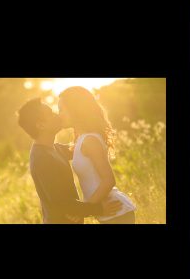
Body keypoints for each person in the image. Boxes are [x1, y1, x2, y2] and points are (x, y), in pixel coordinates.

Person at [16, 98, 122, 224]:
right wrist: (98, 209)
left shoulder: (54, 148)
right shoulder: (41, 158)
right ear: (41, 125)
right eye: (50, 113)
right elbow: (62, 203)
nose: (57, 115)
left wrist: (82, 120)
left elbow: (82, 146)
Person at [57, 86, 136, 224]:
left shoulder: (90, 141)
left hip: (116, 212)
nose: (59, 115)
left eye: (61, 110)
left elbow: (109, 180)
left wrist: (85, 209)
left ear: (75, 110)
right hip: (109, 214)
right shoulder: (81, 139)